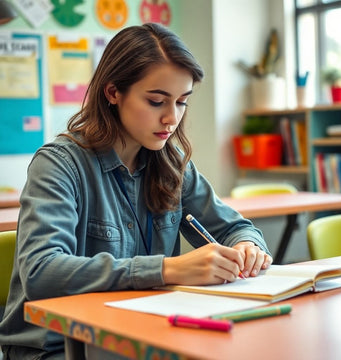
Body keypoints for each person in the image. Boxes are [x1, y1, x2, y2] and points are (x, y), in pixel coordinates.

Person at [0, 23, 272, 359]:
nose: (171, 118)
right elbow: (42, 271)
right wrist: (168, 269)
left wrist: (247, 246)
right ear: (113, 93)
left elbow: (236, 227)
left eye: (182, 102)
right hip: (56, 348)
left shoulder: (171, 164)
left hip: (139, 332)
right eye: (157, 101)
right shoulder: (59, 165)